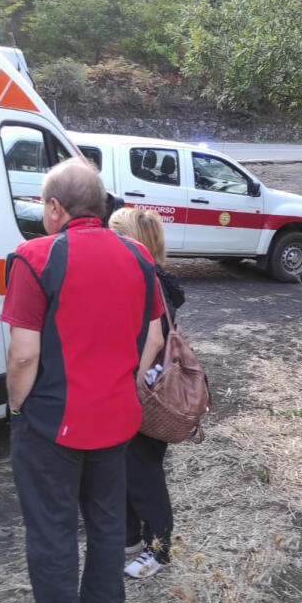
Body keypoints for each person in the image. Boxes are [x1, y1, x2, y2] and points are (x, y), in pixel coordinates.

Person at [2, 160, 165, 603]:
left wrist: (16, 406)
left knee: (51, 532)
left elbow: (23, 355)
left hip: (52, 425)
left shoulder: (35, 257)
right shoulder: (138, 256)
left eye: (42, 205)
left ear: (55, 208)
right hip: (116, 420)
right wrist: (126, 385)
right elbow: (154, 335)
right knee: (107, 525)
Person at [107, 208, 184, 579]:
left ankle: (159, 549)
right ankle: (131, 536)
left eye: (113, 236)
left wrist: (133, 384)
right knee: (128, 465)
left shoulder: (146, 279)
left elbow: (152, 340)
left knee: (143, 471)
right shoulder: (151, 276)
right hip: (147, 386)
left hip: (145, 391)